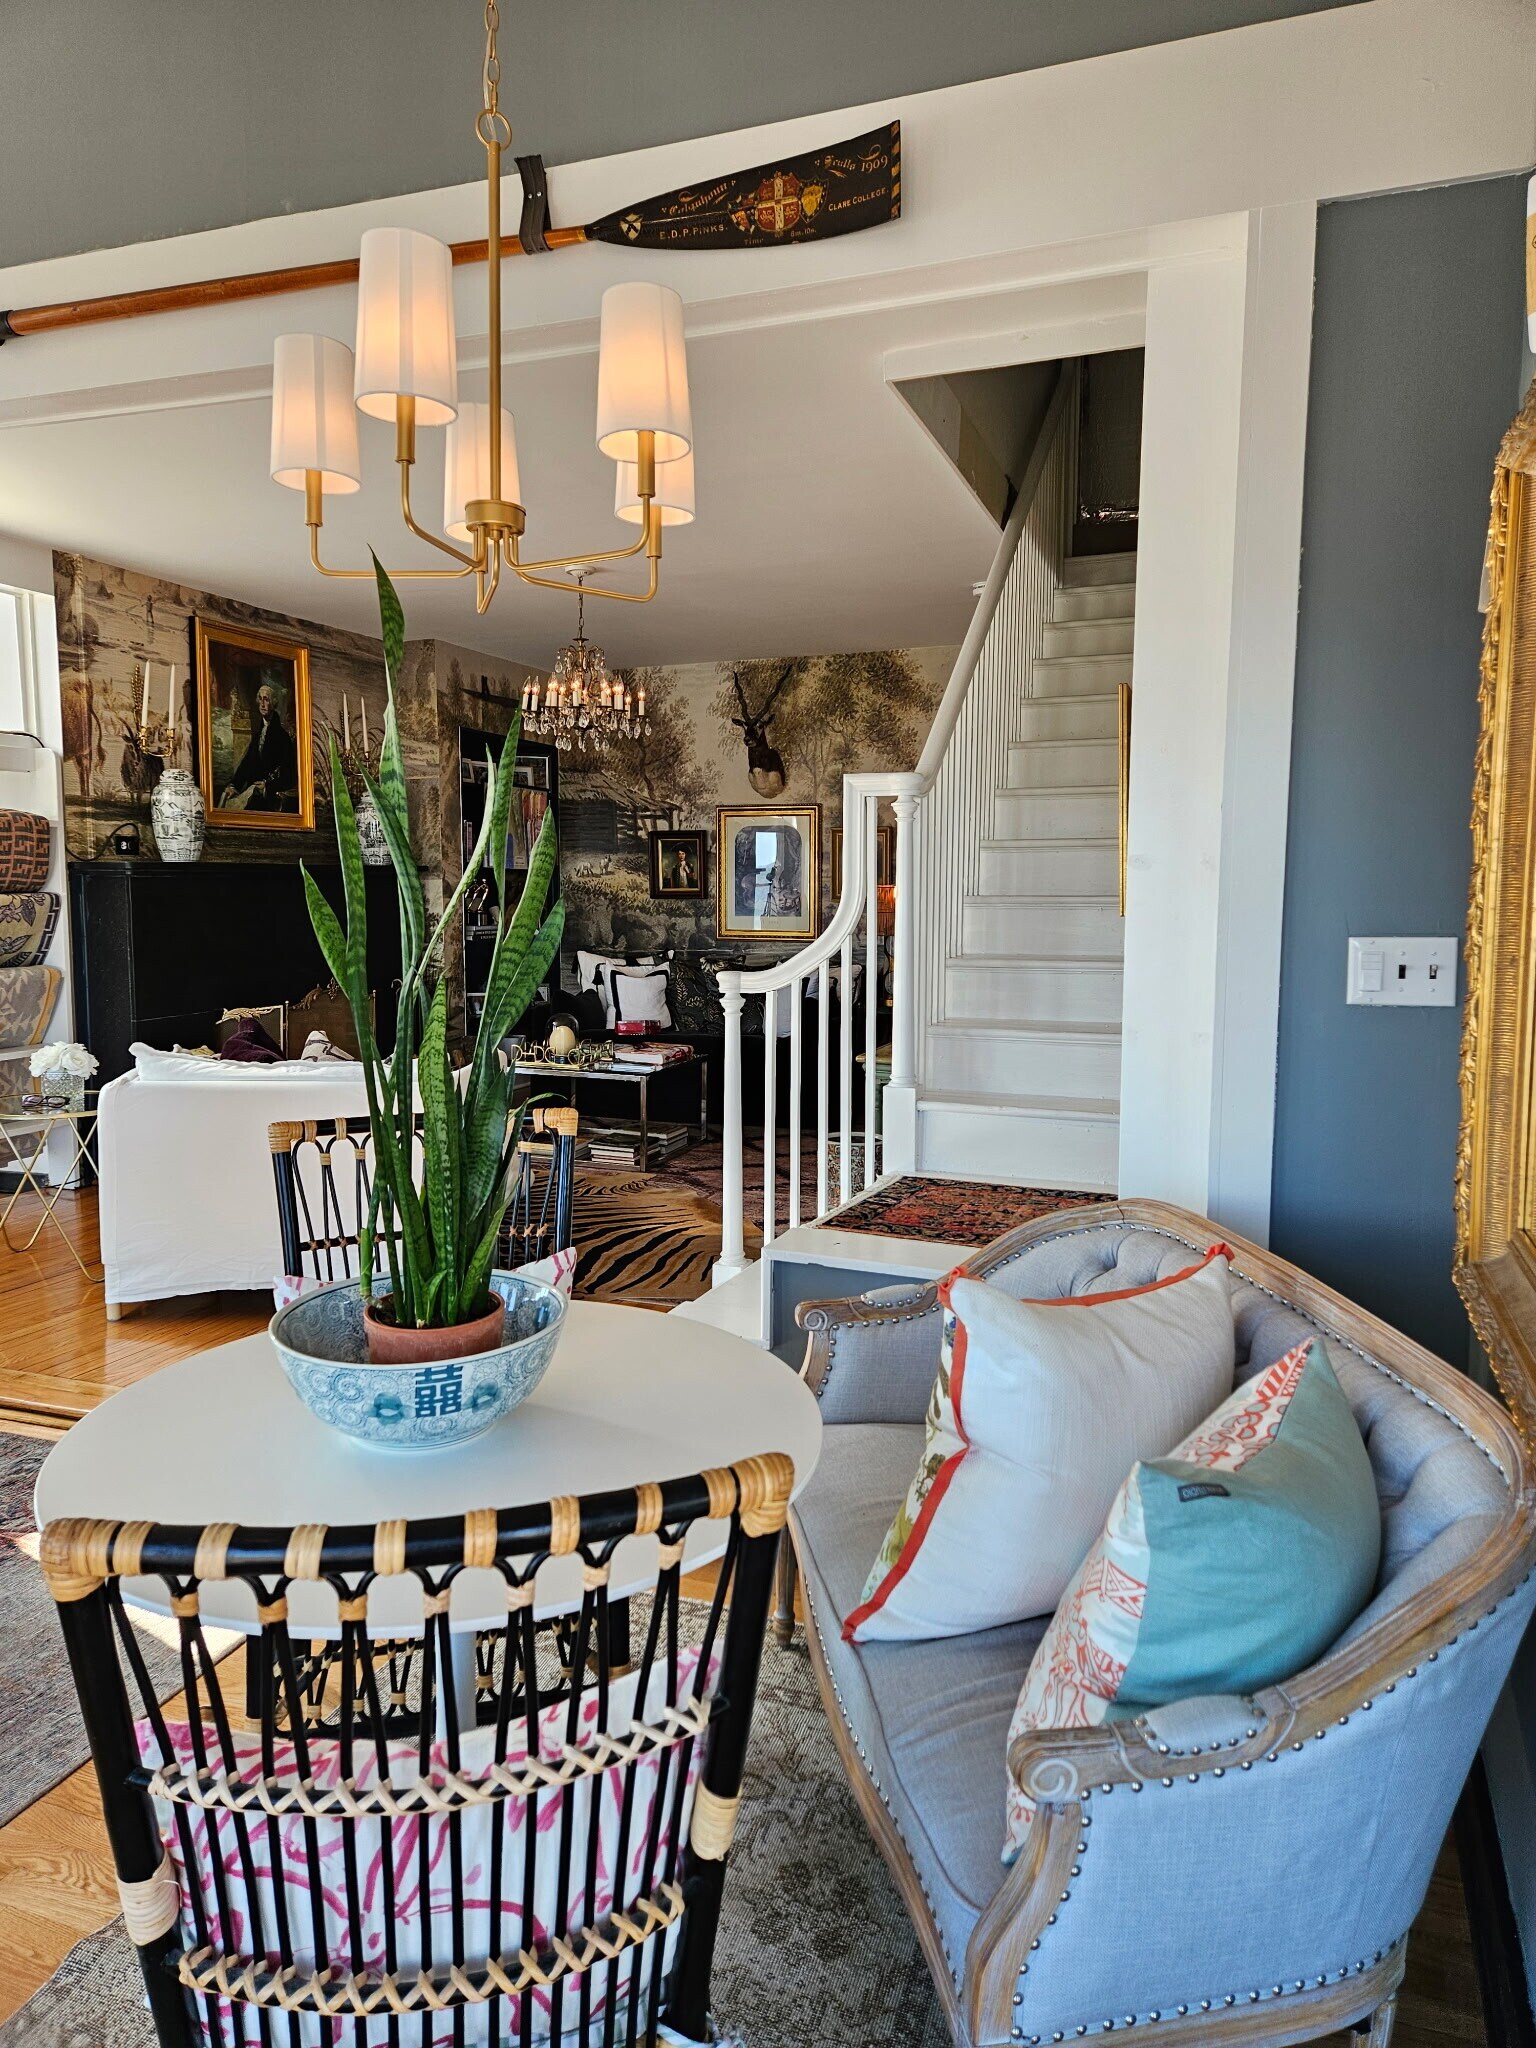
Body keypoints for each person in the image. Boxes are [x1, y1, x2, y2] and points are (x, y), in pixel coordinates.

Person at [221, 680, 298, 812]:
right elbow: (246, 764)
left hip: (270, 797)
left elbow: (290, 775)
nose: (262, 704)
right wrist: (234, 785)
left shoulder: (282, 737)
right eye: (260, 699)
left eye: (266, 699)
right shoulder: (258, 735)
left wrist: (268, 786)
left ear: (273, 703)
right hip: (252, 791)